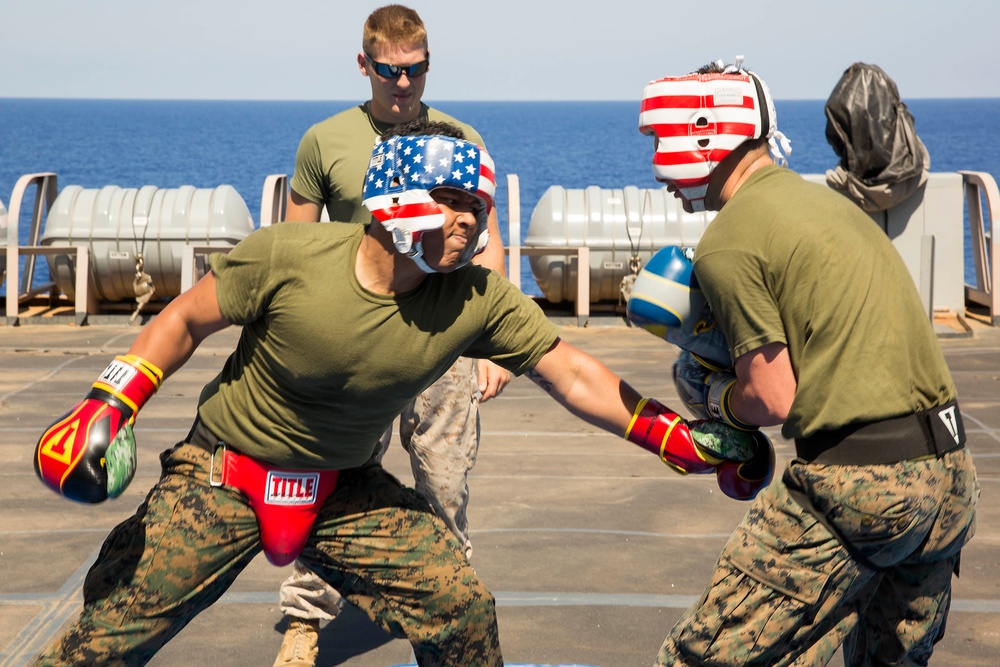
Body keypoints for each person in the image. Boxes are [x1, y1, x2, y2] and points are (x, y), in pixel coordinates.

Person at [31, 121, 772, 667]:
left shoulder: (476, 298)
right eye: (450, 200)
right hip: (226, 468)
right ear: (393, 198)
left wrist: (681, 438)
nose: (468, 220)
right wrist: (108, 402)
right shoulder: (288, 258)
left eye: (475, 207)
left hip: (344, 484)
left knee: (460, 606)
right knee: (110, 627)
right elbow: (183, 319)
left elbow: (571, 372)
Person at [637, 56, 979, 666]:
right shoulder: (828, 205)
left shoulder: (732, 238)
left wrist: (715, 398)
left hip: (863, 486)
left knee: (700, 659)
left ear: (702, 132)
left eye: (661, 139)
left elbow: (772, 398)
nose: (657, 164)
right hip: (950, 479)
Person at [276, 7, 509, 662]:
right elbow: (299, 248)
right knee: (331, 481)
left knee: (444, 484)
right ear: (364, 65)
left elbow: (490, 245)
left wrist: (491, 344)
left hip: (441, 345)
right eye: (388, 70)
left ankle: (449, 616)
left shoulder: (461, 139)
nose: (403, 83)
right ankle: (303, 622)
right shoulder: (325, 142)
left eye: (415, 70)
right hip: (352, 347)